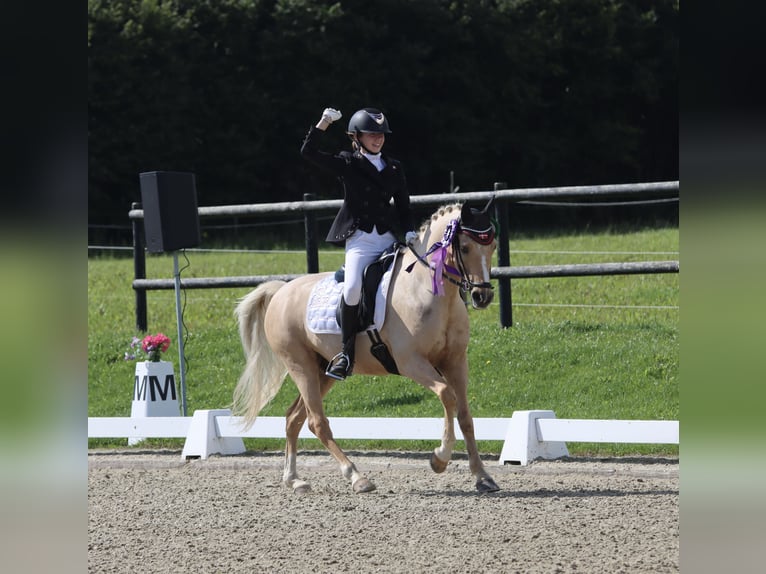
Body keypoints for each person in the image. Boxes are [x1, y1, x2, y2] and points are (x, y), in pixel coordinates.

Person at [301, 107, 417, 380]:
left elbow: (403, 206)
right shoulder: (348, 162)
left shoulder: (394, 166)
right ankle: (345, 352)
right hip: (362, 241)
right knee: (353, 289)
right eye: (371, 134)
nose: (378, 139)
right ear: (357, 137)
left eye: (381, 134)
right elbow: (308, 152)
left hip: (388, 239)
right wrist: (324, 123)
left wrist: (410, 231)